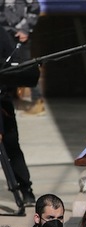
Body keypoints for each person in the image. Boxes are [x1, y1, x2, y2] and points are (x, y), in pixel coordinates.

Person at [0, 26, 34, 206]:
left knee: (11, 147)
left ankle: (26, 190)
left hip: (2, 101)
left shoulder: (1, 32)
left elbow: (12, 61)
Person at [0, 0, 42, 115]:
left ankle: (38, 101)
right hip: (3, 34)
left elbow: (34, 8)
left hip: (21, 36)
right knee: (4, 67)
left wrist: (24, 29)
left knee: (25, 67)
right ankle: (6, 101)